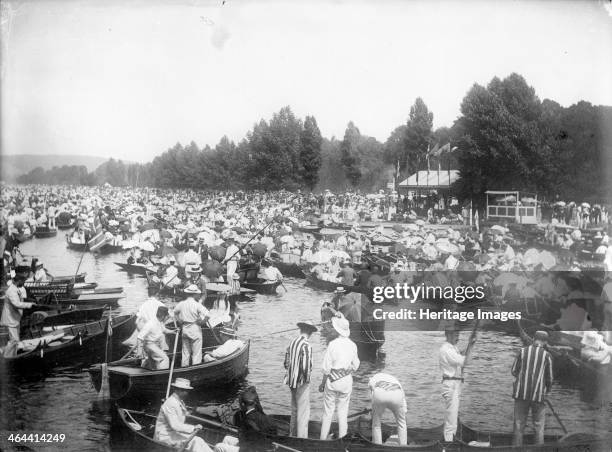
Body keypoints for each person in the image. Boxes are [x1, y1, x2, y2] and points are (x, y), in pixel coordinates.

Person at [319, 314, 360, 440]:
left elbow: (326, 368)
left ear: (337, 330)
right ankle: (342, 440)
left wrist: (322, 383)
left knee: (328, 412)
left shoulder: (332, 344)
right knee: (343, 413)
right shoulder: (353, 345)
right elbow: (356, 364)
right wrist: (349, 369)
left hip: (332, 381)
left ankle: (322, 439)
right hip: (346, 381)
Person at [511, 330, 553, 446]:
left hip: (521, 394)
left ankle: (516, 449)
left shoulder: (522, 351)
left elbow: (514, 371)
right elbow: (550, 378)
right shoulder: (547, 355)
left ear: (533, 339)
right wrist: (547, 391)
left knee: (519, 424)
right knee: (539, 426)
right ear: (545, 342)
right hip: (539, 396)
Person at [154, 378, 212, 452]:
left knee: (198, 440)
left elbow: (183, 413)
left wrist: (190, 413)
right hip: (165, 436)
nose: (187, 393)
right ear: (179, 390)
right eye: (186, 391)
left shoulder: (179, 401)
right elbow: (175, 425)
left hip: (174, 433)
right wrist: (193, 428)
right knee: (195, 442)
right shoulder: (171, 403)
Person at [283, 321, 317, 438]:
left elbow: (286, 363)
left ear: (301, 330)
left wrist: (292, 375)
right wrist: (306, 381)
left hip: (291, 382)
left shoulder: (292, 342)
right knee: (303, 413)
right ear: (310, 332)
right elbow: (306, 367)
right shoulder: (306, 345)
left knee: (294, 410)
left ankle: (292, 435)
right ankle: (302, 439)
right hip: (301, 383)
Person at [439, 324, 472, 442]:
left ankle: (450, 441)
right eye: (455, 334)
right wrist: (471, 346)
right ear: (447, 335)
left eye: (458, 334)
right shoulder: (447, 349)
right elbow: (465, 361)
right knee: (451, 420)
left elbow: (461, 354)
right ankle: (448, 444)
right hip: (451, 385)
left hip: (454, 384)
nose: (457, 336)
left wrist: (469, 344)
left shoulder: (452, 348)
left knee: (452, 417)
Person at [174, 285, 210, 367]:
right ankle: (196, 369)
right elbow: (208, 315)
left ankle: (184, 368)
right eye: (197, 294)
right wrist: (202, 322)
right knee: (196, 353)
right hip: (195, 328)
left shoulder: (181, 304)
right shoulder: (197, 305)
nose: (198, 295)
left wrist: (180, 321)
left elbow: (174, 312)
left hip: (185, 328)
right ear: (194, 294)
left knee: (185, 352)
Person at [369, 372, 407, 445]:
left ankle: (377, 445)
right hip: (397, 393)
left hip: (380, 394)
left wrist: (374, 411)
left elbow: (373, 395)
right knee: (402, 422)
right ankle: (403, 445)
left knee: (376, 424)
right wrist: (403, 414)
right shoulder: (395, 380)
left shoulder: (372, 379)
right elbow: (403, 400)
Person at [0, 275, 34, 357]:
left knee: (15, 340)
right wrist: (30, 305)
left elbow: (19, 300)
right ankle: (6, 357)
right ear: (18, 281)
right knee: (14, 340)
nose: (23, 283)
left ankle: (9, 355)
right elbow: (16, 304)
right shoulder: (12, 291)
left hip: (14, 319)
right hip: (10, 319)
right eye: (23, 281)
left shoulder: (15, 289)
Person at [137, 306, 173, 370]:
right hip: (150, 345)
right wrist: (139, 351)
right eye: (166, 317)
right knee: (165, 358)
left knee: (152, 362)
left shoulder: (160, 322)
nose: (167, 318)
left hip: (154, 345)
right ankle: (162, 374)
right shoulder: (150, 324)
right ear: (162, 316)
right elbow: (140, 337)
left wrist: (173, 331)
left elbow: (164, 330)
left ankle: (145, 370)